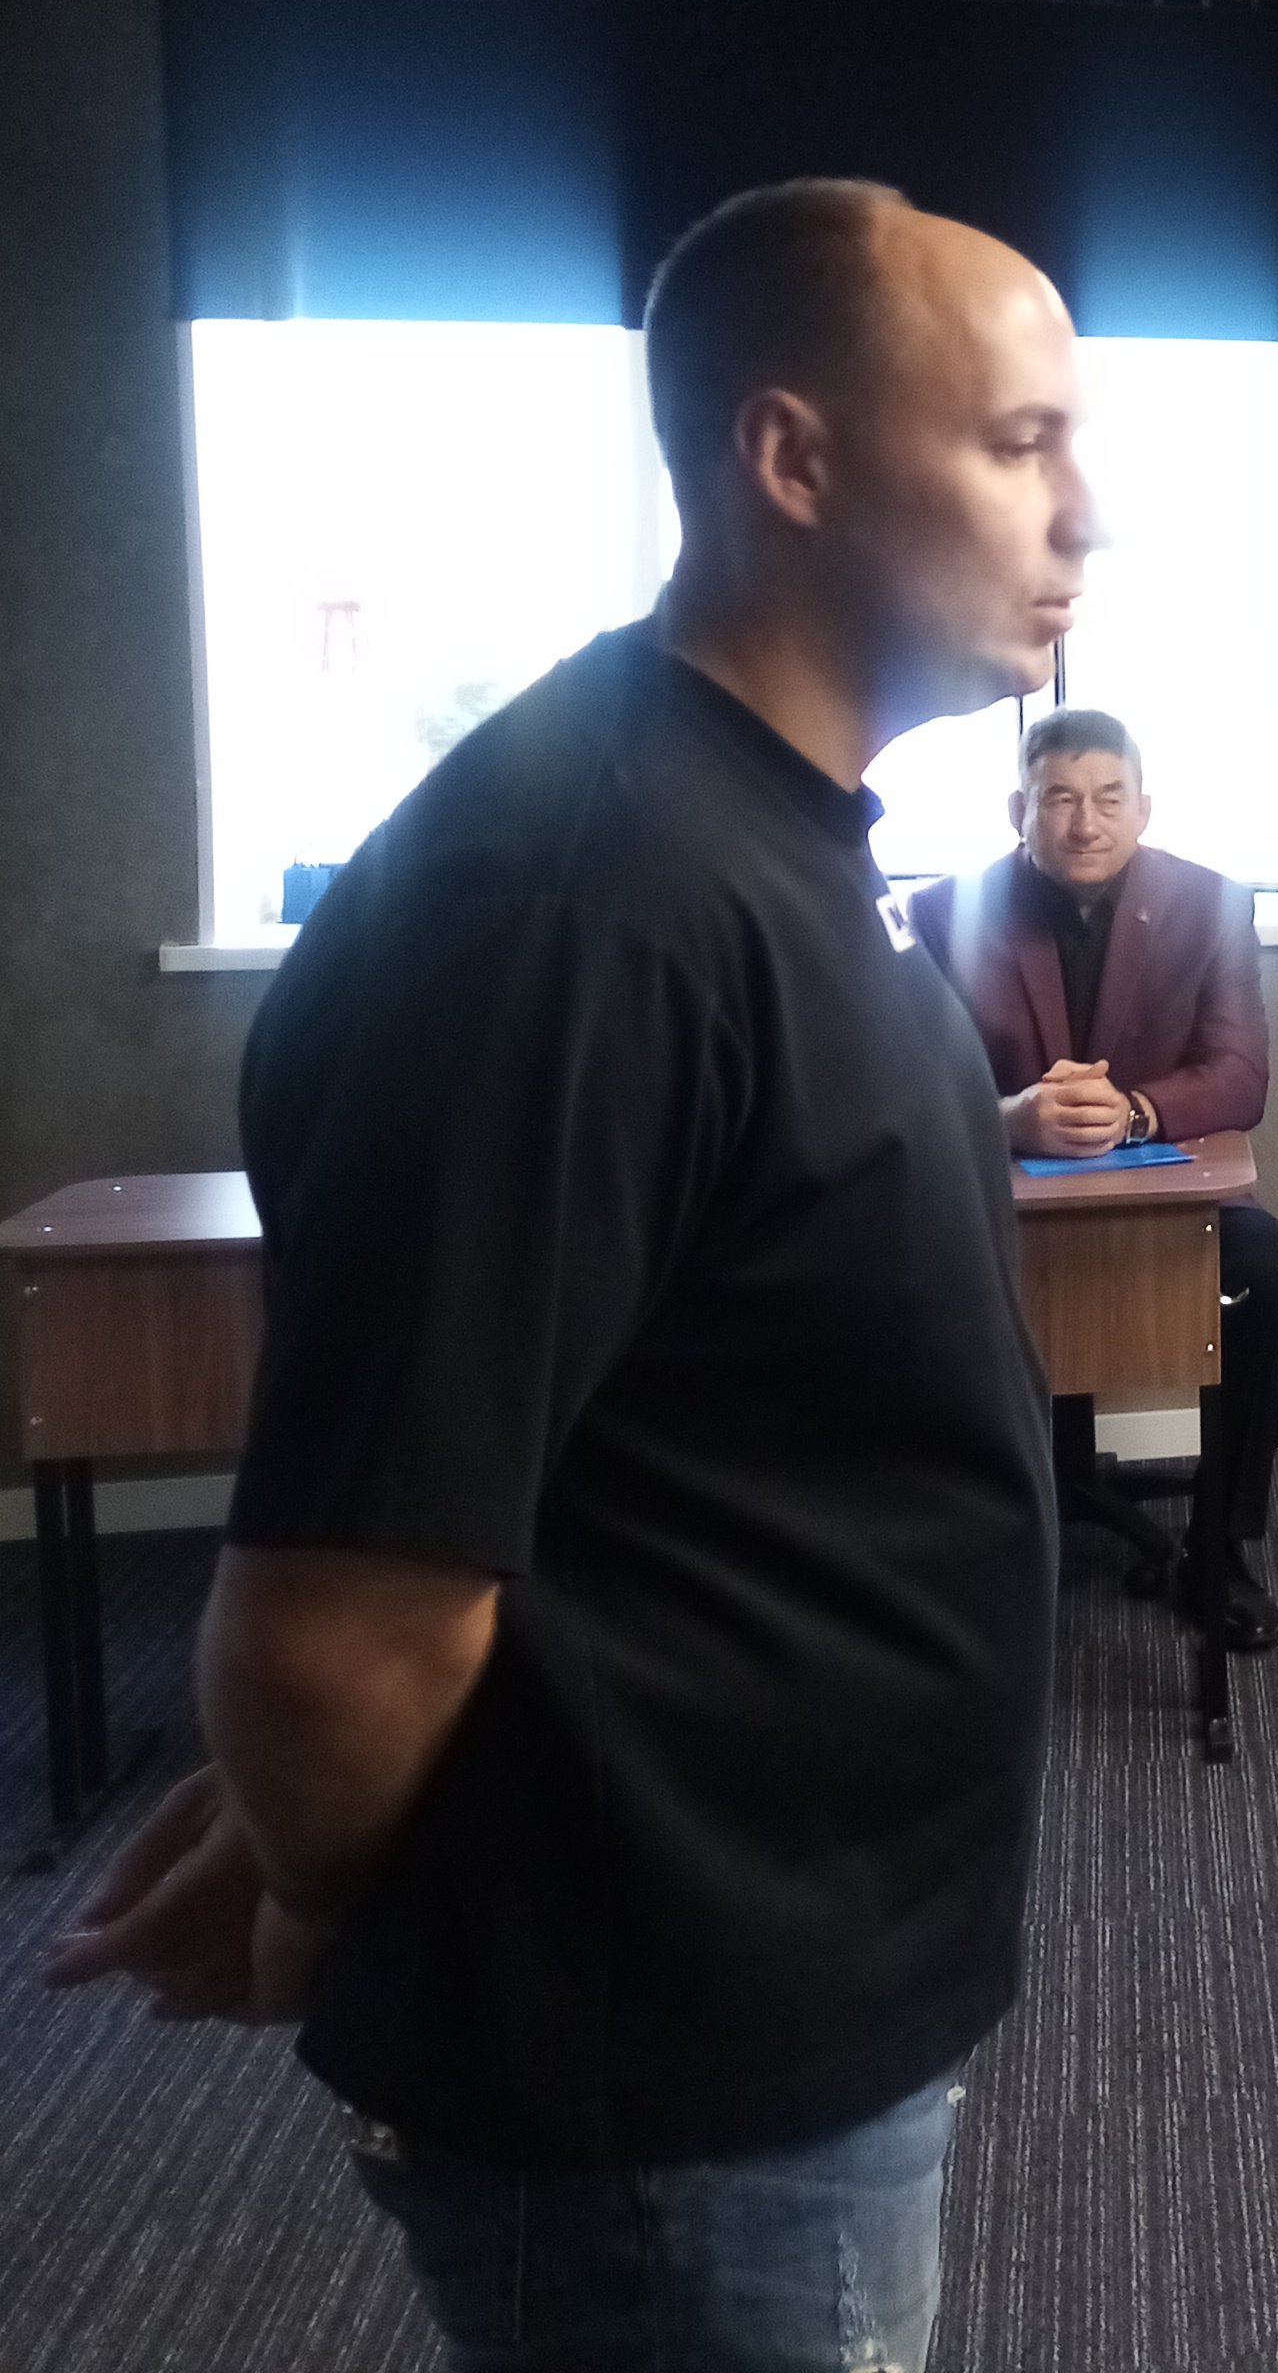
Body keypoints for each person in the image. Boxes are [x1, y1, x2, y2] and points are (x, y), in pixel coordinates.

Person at [47, 178, 1085, 2369]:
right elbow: (339, 1630)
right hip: (675, 2073)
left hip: (793, 1983)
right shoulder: (582, 906)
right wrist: (331, 1878)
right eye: (1021, 444)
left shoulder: (764, 840)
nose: (1085, 515)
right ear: (789, 458)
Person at [911, 709, 1278, 1654]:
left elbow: (1241, 1076)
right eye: (1059, 798)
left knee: (1276, 1282)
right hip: (996, 1202)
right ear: (1019, 810)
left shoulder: (1212, 904)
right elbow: (901, 1083)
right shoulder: (941, 914)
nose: (1085, 822)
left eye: (1108, 798)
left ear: (1144, 808)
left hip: (1168, 1197)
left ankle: (1217, 1542)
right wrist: (1010, 1115)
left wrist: (1132, 1110)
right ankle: (958, 1542)